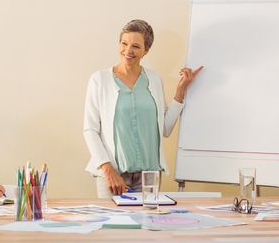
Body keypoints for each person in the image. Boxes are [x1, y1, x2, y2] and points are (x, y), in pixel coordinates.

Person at [83, 19, 202, 198]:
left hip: (149, 176)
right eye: (124, 43)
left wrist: (181, 89)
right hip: (113, 175)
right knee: (113, 225)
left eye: (136, 46)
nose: (128, 51)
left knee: (146, 225)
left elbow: (165, 128)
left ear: (146, 50)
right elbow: (90, 130)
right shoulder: (99, 80)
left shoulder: (154, 80)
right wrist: (108, 171)